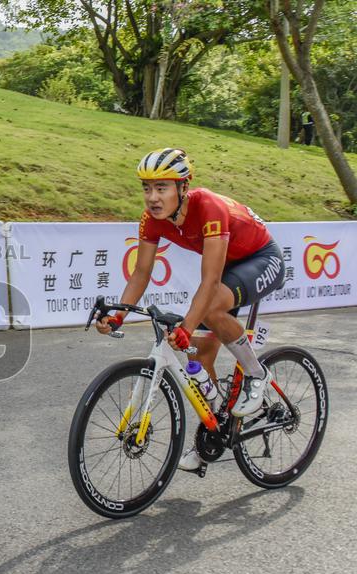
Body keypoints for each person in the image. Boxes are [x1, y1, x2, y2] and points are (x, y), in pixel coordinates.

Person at [96, 148, 286, 471]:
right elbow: (141, 272)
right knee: (199, 356)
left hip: (261, 258)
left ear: (183, 187)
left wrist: (185, 327)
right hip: (229, 267)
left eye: (162, 188)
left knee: (208, 311)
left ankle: (257, 373)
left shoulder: (208, 207)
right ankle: (213, 433)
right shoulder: (152, 220)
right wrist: (118, 316)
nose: (152, 197)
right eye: (146, 188)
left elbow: (210, 281)